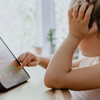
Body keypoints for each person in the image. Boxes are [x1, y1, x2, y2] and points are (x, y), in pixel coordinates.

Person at [18, 0, 100, 99]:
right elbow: (62, 67)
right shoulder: (92, 60)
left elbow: (54, 78)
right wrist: (39, 59)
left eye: (79, 31)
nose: (75, 38)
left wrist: (74, 35)